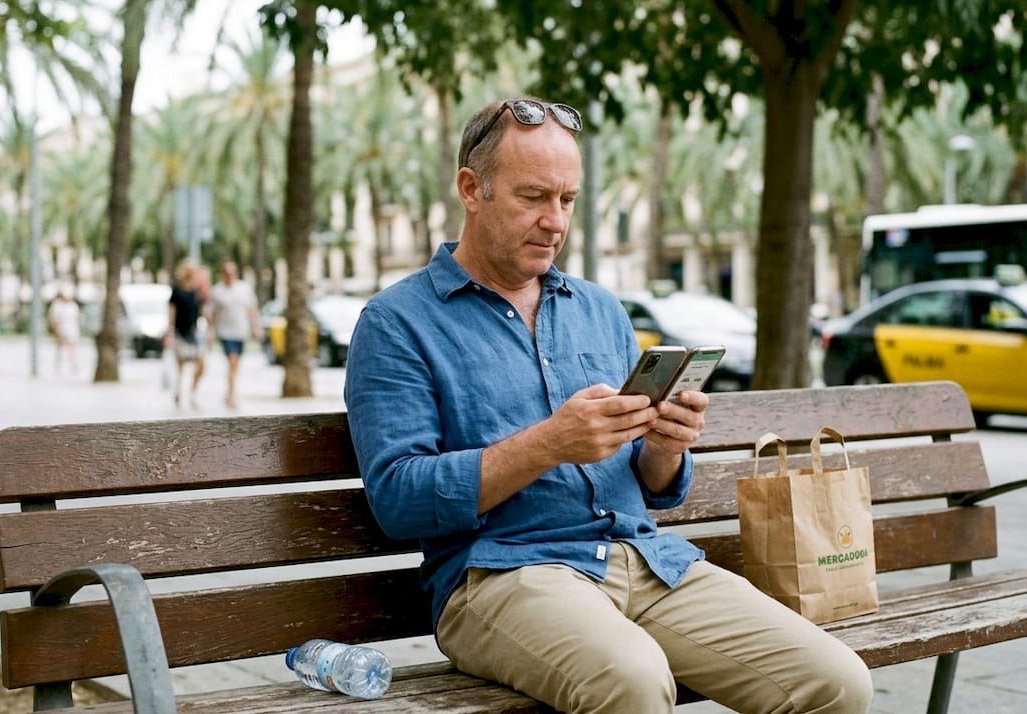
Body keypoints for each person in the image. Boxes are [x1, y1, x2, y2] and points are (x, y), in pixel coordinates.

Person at [343, 97, 872, 714]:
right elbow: (400, 500)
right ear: (471, 188)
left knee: (837, 682)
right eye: (533, 196)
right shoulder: (396, 323)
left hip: (647, 563)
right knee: (634, 681)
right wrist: (549, 443)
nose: (555, 221)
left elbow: (652, 485)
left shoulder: (599, 310)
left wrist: (666, 447)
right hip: (502, 575)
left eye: (567, 200)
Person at [207, 260, 261, 407]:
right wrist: (210, 331)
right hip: (225, 332)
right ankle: (232, 394)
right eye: (226, 273)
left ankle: (230, 389)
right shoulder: (217, 291)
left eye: (232, 273)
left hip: (241, 332)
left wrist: (256, 327)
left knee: (235, 364)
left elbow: (251, 309)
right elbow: (212, 313)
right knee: (232, 360)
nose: (229, 276)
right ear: (222, 274)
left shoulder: (244, 288)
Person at [165, 259, 207, 407]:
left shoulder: (197, 291)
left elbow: (202, 310)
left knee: (202, 364)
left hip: (194, 332)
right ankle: (178, 391)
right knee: (180, 366)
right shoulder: (176, 291)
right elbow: (171, 312)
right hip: (180, 332)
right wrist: (169, 332)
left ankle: (193, 391)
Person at [46, 286, 81, 374]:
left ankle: (73, 363)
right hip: (61, 327)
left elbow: (76, 318)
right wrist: (55, 328)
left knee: (72, 347)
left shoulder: (73, 305)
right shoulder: (57, 305)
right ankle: (59, 364)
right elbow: (52, 318)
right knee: (60, 347)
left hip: (71, 328)